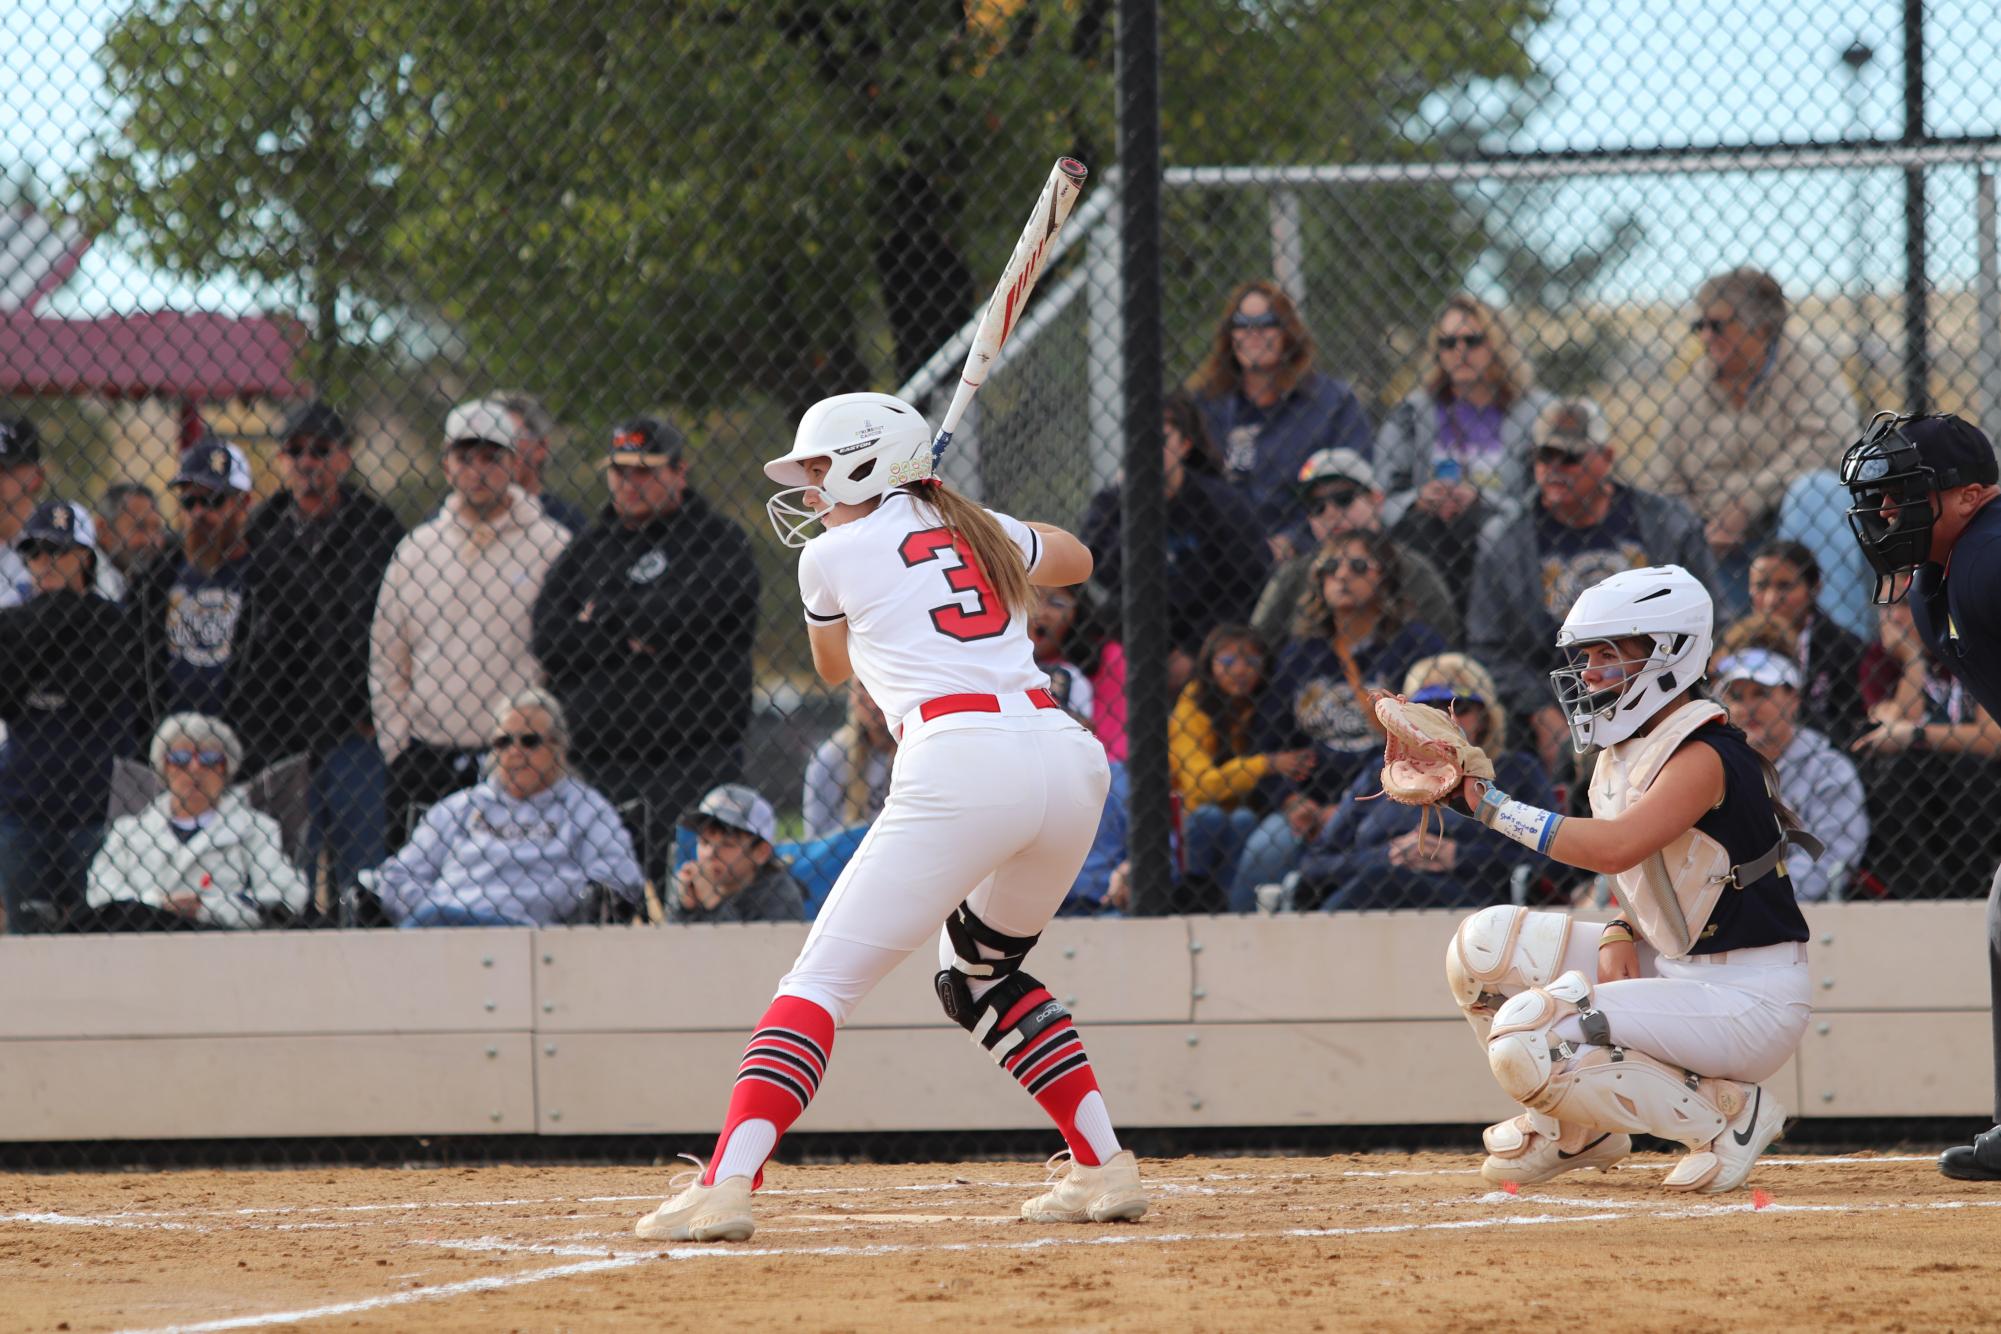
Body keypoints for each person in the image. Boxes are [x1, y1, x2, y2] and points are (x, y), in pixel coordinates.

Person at [635, 391, 1146, 1243]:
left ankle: (727, 1183)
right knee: (975, 977)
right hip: (1064, 758)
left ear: (870, 463)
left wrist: (903, 531)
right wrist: (946, 514)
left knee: (816, 985)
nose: (807, 491)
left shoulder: (832, 554)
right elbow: (1076, 559)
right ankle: (1103, 1166)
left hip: (963, 760)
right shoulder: (978, 526)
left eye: (820, 471)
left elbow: (832, 667)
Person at [1443, 564, 1810, 1194]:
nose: (1588, 674)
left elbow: (1615, 848)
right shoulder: (1629, 750)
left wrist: (1488, 805)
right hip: (1678, 967)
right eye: (1586, 657)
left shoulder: (1704, 754)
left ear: (1668, 655)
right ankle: (1576, 1132)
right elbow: (1653, 872)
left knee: (1526, 1037)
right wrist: (1618, 926)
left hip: (1746, 1000)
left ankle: (1728, 1117)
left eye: (1608, 656)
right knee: (1482, 949)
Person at [1840, 411, 2001, 1183]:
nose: (1885, 514)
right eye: (1883, 497)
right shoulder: (1944, 575)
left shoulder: (1989, 559)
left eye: (1907, 496)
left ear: (1971, 495)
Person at [531, 416, 757, 880]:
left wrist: (604, 618)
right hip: (601, 763)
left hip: (695, 757)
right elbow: (550, 639)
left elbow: (688, 616)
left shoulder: (718, 541)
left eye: (645, 471)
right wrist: (631, 633)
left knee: (692, 890)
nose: (629, 483)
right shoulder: (587, 548)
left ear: (679, 472)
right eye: (619, 471)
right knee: (605, 897)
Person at [1466, 398, 1717, 775]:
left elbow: (1711, 617)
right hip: (1552, 695)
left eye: (1568, 459)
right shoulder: (1506, 539)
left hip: (1658, 685)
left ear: (1606, 457)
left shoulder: (1667, 523)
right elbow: (1489, 646)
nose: (1553, 470)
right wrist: (1541, 712)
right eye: (1542, 457)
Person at [371, 398, 571, 843]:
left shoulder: (553, 546)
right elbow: (387, 655)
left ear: (515, 462)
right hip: (427, 758)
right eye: (465, 457)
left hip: (519, 760)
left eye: (491, 457)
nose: (478, 470)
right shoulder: (417, 550)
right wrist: (398, 746)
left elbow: (566, 657)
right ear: (446, 465)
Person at [1230, 531, 1447, 909]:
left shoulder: (1416, 647)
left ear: (1383, 576)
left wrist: (1352, 810)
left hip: (1390, 804)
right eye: (1331, 567)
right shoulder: (1301, 654)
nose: (1342, 575)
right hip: (1309, 805)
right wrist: (1292, 802)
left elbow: (1438, 737)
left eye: (1358, 565)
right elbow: (1268, 739)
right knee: (1264, 852)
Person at [242, 401, 405, 894]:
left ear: (345, 457)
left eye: (320, 449)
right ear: (280, 460)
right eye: (294, 450)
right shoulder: (259, 532)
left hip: (356, 731)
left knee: (361, 878)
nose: (307, 461)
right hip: (281, 736)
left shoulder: (379, 530)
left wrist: (381, 709)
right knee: (285, 879)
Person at [1634, 267, 1857, 616]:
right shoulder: (1692, 387)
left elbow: (1831, 443)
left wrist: (1747, 503)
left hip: (1790, 533)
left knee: (1817, 491)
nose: (1706, 336)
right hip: (1718, 549)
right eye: (1699, 326)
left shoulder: (1808, 367)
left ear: (1761, 326)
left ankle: (1833, 650)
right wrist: (1699, 528)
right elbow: (1662, 479)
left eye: (1718, 325)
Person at [1291, 653, 1553, 913]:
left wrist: (1457, 856)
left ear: (1484, 716)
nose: (1445, 717)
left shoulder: (1516, 770)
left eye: (1458, 706)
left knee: (1384, 880)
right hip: (1372, 895)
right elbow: (1314, 863)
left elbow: (1551, 861)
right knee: (1382, 878)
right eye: (1428, 708)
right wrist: (1386, 856)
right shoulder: (1381, 773)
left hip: (1470, 902)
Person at [364, 689, 641, 928]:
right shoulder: (460, 807)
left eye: (529, 741)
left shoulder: (586, 807)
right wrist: (438, 904)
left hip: (534, 936)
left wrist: (549, 898)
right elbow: (397, 876)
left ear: (559, 746)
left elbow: (620, 876)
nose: (515, 751)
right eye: (503, 742)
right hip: (446, 927)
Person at [0, 502, 139, 933]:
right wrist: (61, 628)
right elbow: (6, 694)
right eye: (36, 552)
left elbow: (93, 691)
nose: (47, 562)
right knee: (28, 941)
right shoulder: (10, 622)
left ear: (85, 557)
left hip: (93, 810)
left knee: (97, 936)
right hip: (23, 807)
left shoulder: (115, 622)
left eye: (59, 550)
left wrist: (37, 641)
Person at [1374, 294, 1552, 599]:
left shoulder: (1536, 413)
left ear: (1498, 345)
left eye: (1472, 340)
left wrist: (1482, 499)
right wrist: (1419, 497)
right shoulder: (1413, 414)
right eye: (1447, 343)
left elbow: (1545, 498)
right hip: (1428, 541)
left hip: (1504, 540)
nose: (1459, 351)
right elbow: (1382, 495)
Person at [1080, 389, 1270, 669]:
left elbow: (1247, 585)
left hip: (1208, 637)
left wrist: (1196, 650)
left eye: (1161, 439)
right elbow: (1102, 572)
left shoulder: (1220, 504)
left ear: (1185, 444)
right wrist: (1130, 502)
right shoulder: (1112, 502)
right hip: (1133, 632)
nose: (1148, 449)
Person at [1186, 280, 1373, 545]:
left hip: (1312, 551)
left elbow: (1355, 487)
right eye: (1242, 324)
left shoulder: (1333, 403)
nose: (1253, 333)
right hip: (1222, 554)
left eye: (1266, 323)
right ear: (1230, 335)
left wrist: (1294, 541)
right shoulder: (1206, 404)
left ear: (1288, 331)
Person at [84, 713, 310, 931]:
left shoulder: (257, 829)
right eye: (180, 759)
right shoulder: (128, 831)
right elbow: (100, 893)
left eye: (209, 760)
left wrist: (206, 907)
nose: (195, 769)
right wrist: (157, 903)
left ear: (226, 769)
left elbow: (288, 895)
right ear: (163, 768)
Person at [1849, 599, 2001, 899]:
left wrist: (1919, 734)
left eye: (1905, 605)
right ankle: (1920, 889)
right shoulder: (1880, 658)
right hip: (1920, 779)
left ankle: (1974, 886)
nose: (1894, 616)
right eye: (1885, 607)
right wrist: (1913, 659)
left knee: (1969, 769)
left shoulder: (1970, 647)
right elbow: (1892, 726)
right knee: (1895, 771)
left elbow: (1993, 738)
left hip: (1976, 779)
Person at [1251, 447, 1460, 650]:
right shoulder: (1294, 573)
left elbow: (1447, 644)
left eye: (1343, 499)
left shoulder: (1412, 569)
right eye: (1317, 506)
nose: (1331, 512)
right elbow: (1258, 644)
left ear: (1376, 500)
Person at [131, 438, 262, 742]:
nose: (200, 513)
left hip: (245, 752)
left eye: (214, 501)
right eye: (190, 502)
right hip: (167, 752)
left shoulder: (271, 581)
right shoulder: (155, 580)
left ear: (243, 504)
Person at [1713, 648, 1867, 903]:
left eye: (1761, 694)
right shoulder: (1716, 767)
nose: (1747, 707)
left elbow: (1828, 857)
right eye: (1737, 696)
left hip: (1802, 912)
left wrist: (1759, 901)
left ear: (1793, 699)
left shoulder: (1829, 769)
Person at [1170, 624, 1313, 898]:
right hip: (1198, 814)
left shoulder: (1267, 703)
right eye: (1227, 661)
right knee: (1208, 817)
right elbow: (1200, 788)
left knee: (1243, 819)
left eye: (1251, 661)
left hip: (1246, 811)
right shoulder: (1193, 704)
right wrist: (1265, 764)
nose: (1239, 670)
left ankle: (1229, 903)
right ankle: (1190, 896)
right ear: (1209, 665)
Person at [1741, 539, 1869, 745]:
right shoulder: (1736, 645)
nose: (1771, 600)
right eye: (1761, 586)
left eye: (1785, 586)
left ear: (1813, 588)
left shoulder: (1844, 648)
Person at [670, 784, 809, 925]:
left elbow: (755, 946)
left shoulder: (780, 896)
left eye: (727, 845)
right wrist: (686, 909)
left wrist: (713, 902)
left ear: (761, 852)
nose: (711, 854)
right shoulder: (696, 886)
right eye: (705, 842)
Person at [802, 680, 895, 840]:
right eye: (863, 686)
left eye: (882, 682)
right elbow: (815, 843)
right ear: (851, 695)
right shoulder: (829, 757)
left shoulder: (922, 752)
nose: (873, 697)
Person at [494, 389, 589, 534]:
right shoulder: (455, 517)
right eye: (493, 437)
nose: (501, 447)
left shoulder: (567, 521)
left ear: (540, 447)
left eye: (512, 435)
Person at [94, 482, 169, 601]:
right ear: (103, 529)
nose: (149, 541)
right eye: (140, 527)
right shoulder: (87, 582)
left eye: (156, 528)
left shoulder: (157, 582)